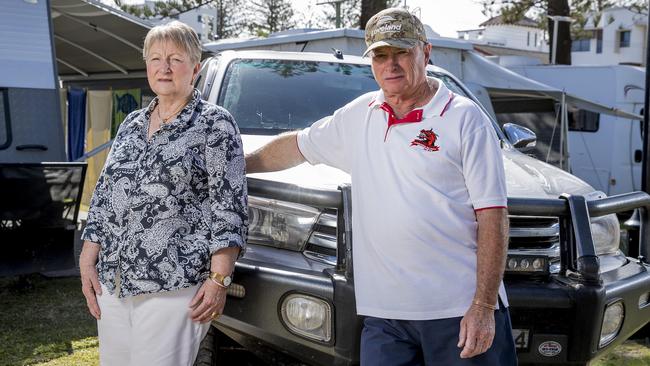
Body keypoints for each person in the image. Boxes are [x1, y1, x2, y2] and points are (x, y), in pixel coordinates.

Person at [245, 8, 517, 366]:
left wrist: (483, 307)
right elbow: (296, 147)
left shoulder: (465, 118)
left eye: (402, 52)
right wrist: (235, 167)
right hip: (385, 315)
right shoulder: (362, 114)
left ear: (426, 52)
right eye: (380, 55)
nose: (391, 65)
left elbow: (494, 216)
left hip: (456, 311)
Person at [78, 21, 248, 366]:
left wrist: (219, 279)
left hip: (173, 283)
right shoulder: (132, 122)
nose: (164, 67)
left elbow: (229, 206)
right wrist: (87, 258)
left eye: (175, 58)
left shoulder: (215, 123)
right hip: (114, 280)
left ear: (195, 68)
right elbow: (106, 192)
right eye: (155, 58)